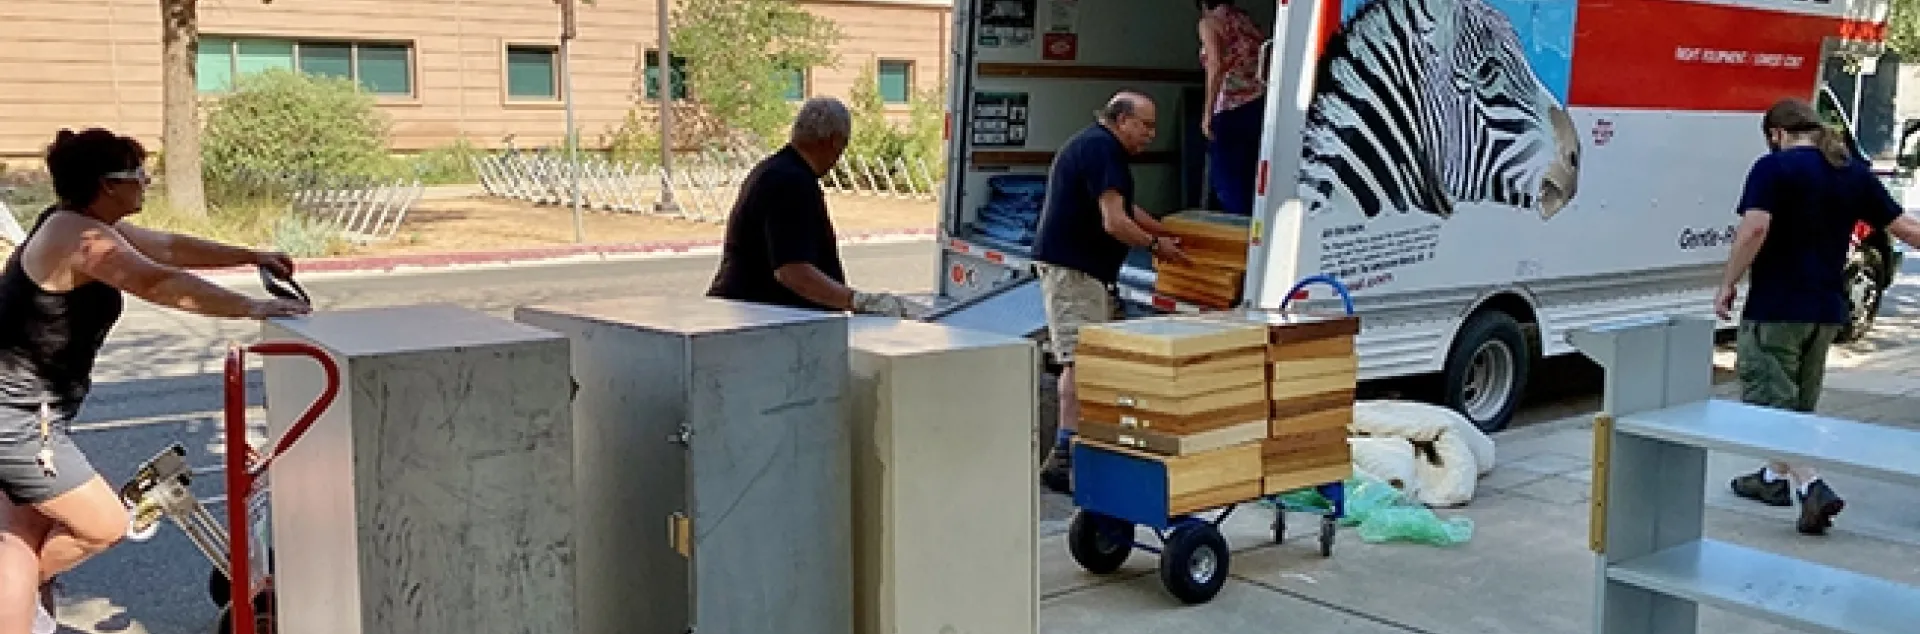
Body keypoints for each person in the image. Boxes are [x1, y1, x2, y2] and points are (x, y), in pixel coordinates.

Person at [0, 128, 310, 634]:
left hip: (30, 412)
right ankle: (15, 606)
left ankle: (20, 603)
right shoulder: (76, 237)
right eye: (139, 174)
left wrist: (249, 256)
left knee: (24, 531)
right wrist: (252, 307)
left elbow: (166, 249)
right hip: (18, 419)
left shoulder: (80, 224)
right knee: (101, 526)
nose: (147, 181)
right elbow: (154, 282)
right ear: (108, 184)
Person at [1715, 98, 1920, 535]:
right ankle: (1772, 480)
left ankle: (1811, 485)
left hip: (1776, 308)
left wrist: (1728, 282)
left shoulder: (1772, 170)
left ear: (1776, 134)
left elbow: (1753, 229)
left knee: (1768, 408)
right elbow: (1906, 230)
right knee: (1796, 410)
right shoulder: (1851, 171)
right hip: (1826, 311)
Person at [1032, 91, 1193, 494]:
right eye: (1145, 125)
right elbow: (1114, 222)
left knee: (1096, 357)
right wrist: (1157, 248)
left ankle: (1088, 445)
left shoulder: (1099, 148)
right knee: (1078, 359)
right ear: (1121, 120)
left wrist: (1165, 230)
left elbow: (1127, 210)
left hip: (1088, 271)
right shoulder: (1102, 150)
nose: (1151, 135)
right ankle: (1064, 456)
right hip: (1075, 271)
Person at [707, 97, 919, 318]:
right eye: (843, 146)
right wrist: (856, 301)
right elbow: (792, 271)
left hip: (745, 317)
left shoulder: (773, 170)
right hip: (761, 323)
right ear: (833, 142)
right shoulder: (791, 182)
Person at [1196, 0, 1269, 216]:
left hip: (1230, 105)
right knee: (1251, 178)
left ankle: (1237, 234)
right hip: (1258, 102)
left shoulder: (1209, 23)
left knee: (1228, 182)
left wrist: (1207, 111)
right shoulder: (1246, 21)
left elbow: (1215, 64)